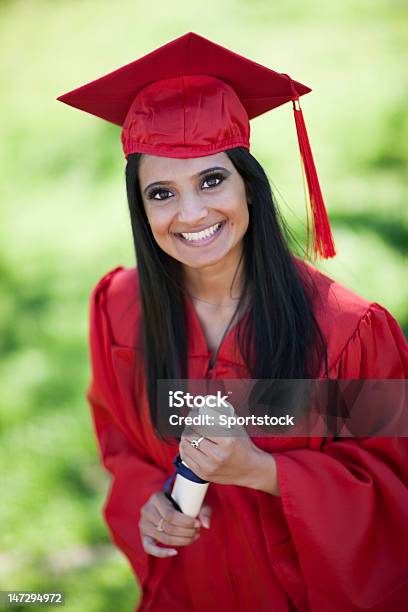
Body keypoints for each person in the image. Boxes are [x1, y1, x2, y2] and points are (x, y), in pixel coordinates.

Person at [57, 33, 408, 611]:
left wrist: (265, 471)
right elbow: (121, 446)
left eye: (212, 180)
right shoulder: (120, 312)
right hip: (189, 593)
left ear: (250, 183)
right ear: (140, 209)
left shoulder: (346, 332)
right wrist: (150, 502)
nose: (191, 214)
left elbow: (393, 484)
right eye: (161, 192)